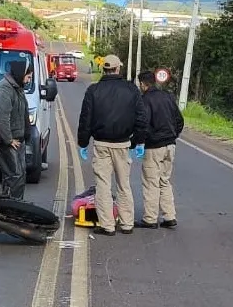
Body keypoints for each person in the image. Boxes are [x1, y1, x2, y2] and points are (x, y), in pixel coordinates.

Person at [77, 54, 148, 235]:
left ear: (104, 69)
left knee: (103, 185)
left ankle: (107, 225)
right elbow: (141, 118)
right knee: (124, 184)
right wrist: (138, 141)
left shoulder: (93, 90)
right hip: (123, 144)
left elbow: (85, 119)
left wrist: (83, 143)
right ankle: (127, 224)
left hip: (101, 144)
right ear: (118, 68)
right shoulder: (131, 90)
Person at [137, 70, 185, 229]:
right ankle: (169, 216)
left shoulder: (145, 100)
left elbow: (143, 124)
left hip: (154, 146)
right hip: (170, 145)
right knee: (164, 180)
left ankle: (150, 219)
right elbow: (179, 120)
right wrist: (173, 135)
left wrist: (139, 142)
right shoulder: (168, 97)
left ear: (142, 84)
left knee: (151, 182)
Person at [0, 60, 33, 200]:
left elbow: (23, 113)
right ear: (21, 74)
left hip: (18, 139)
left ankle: (12, 203)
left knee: (19, 174)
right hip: (8, 141)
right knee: (15, 175)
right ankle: (13, 205)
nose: (29, 80)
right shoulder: (5, 89)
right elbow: (2, 117)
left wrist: (26, 134)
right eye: (28, 77)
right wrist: (8, 139)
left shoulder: (17, 87)